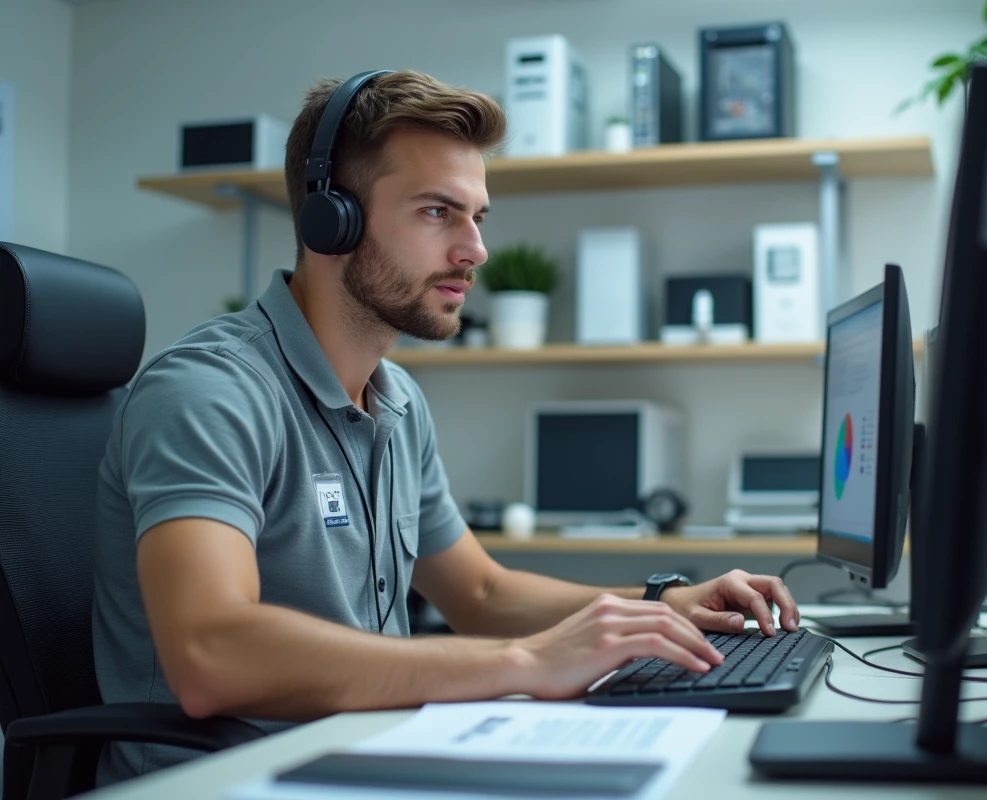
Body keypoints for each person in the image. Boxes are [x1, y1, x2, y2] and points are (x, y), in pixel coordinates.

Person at [91, 69, 801, 784]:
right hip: (223, 780)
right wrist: (525, 661)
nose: (475, 249)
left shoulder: (397, 400)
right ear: (331, 218)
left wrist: (661, 603)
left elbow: (481, 595)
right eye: (437, 212)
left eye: (477, 216)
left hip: (364, 756)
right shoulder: (211, 390)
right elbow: (210, 654)